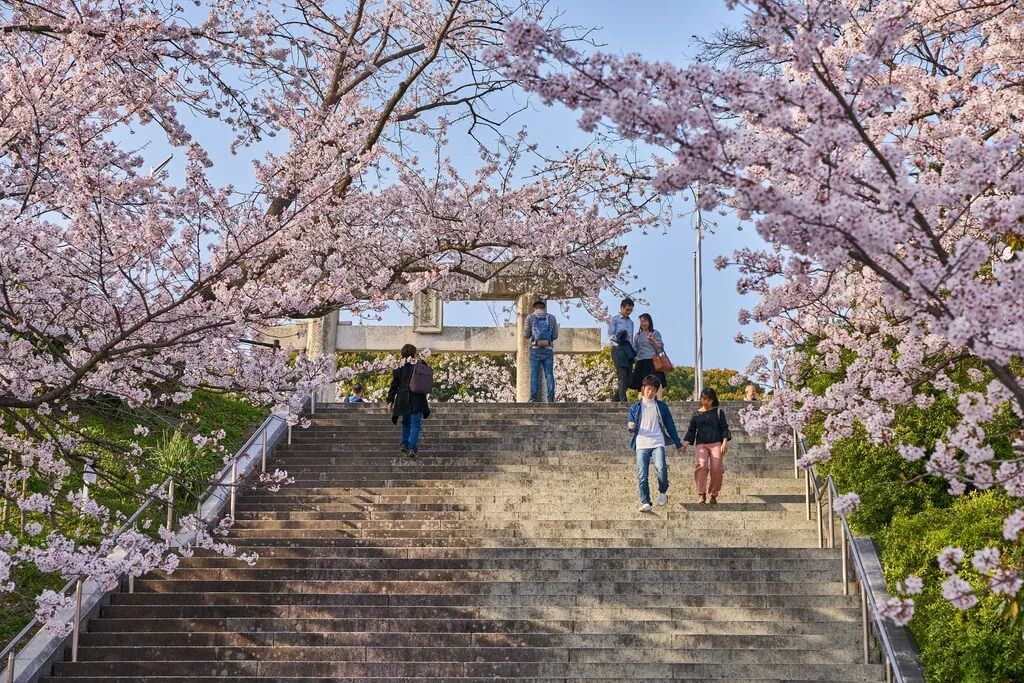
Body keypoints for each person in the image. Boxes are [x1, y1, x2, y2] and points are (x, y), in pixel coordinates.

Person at [627, 375, 684, 513]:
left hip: (657, 441)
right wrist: (631, 426)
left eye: (653, 390)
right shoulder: (635, 407)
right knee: (642, 474)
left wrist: (677, 443)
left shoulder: (662, 407)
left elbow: (670, 425)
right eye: (648, 389)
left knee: (661, 469)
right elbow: (630, 426)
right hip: (642, 443)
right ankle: (645, 501)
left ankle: (663, 490)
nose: (650, 392)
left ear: (656, 391)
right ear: (643, 389)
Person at [681, 387, 732, 504]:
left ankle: (714, 494)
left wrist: (724, 443)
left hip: (716, 443)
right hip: (701, 444)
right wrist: (685, 444)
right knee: (702, 466)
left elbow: (725, 428)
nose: (706, 402)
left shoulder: (719, 412)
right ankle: (701, 494)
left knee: (717, 469)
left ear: (713, 400)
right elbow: (691, 431)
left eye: (709, 400)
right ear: (700, 399)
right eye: (704, 399)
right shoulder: (696, 414)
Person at [387, 344, 431, 458]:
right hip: (417, 398)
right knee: (415, 424)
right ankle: (412, 448)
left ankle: (404, 444)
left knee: (406, 423)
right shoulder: (421, 364)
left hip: (402, 398)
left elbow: (394, 385)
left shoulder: (398, 366)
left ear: (402, 354)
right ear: (414, 353)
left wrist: (390, 400)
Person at [524, 300, 558, 402]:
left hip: (535, 349)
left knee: (534, 373)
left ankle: (533, 397)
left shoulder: (530, 317)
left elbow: (526, 334)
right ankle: (551, 397)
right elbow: (555, 335)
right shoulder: (551, 318)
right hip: (548, 349)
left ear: (535, 308)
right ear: (544, 308)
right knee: (549, 374)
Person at [630, 313, 667, 399]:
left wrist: (652, 340)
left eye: (645, 321)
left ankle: (659, 402)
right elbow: (635, 349)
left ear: (649, 322)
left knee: (657, 382)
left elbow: (660, 348)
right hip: (641, 361)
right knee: (641, 384)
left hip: (653, 361)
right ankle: (642, 404)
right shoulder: (637, 335)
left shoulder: (655, 333)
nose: (643, 323)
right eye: (642, 321)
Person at [608, 298, 635, 402]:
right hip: (618, 348)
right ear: (621, 307)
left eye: (630, 310)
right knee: (622, 375)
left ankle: (615, 399)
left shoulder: (631, 322)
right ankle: (623, 401)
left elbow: (631, 339)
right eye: (627, 309)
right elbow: (610, 335)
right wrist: (620, 338)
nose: (628, 312)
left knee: (629, 377)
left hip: (628, 350)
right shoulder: (614, 319)